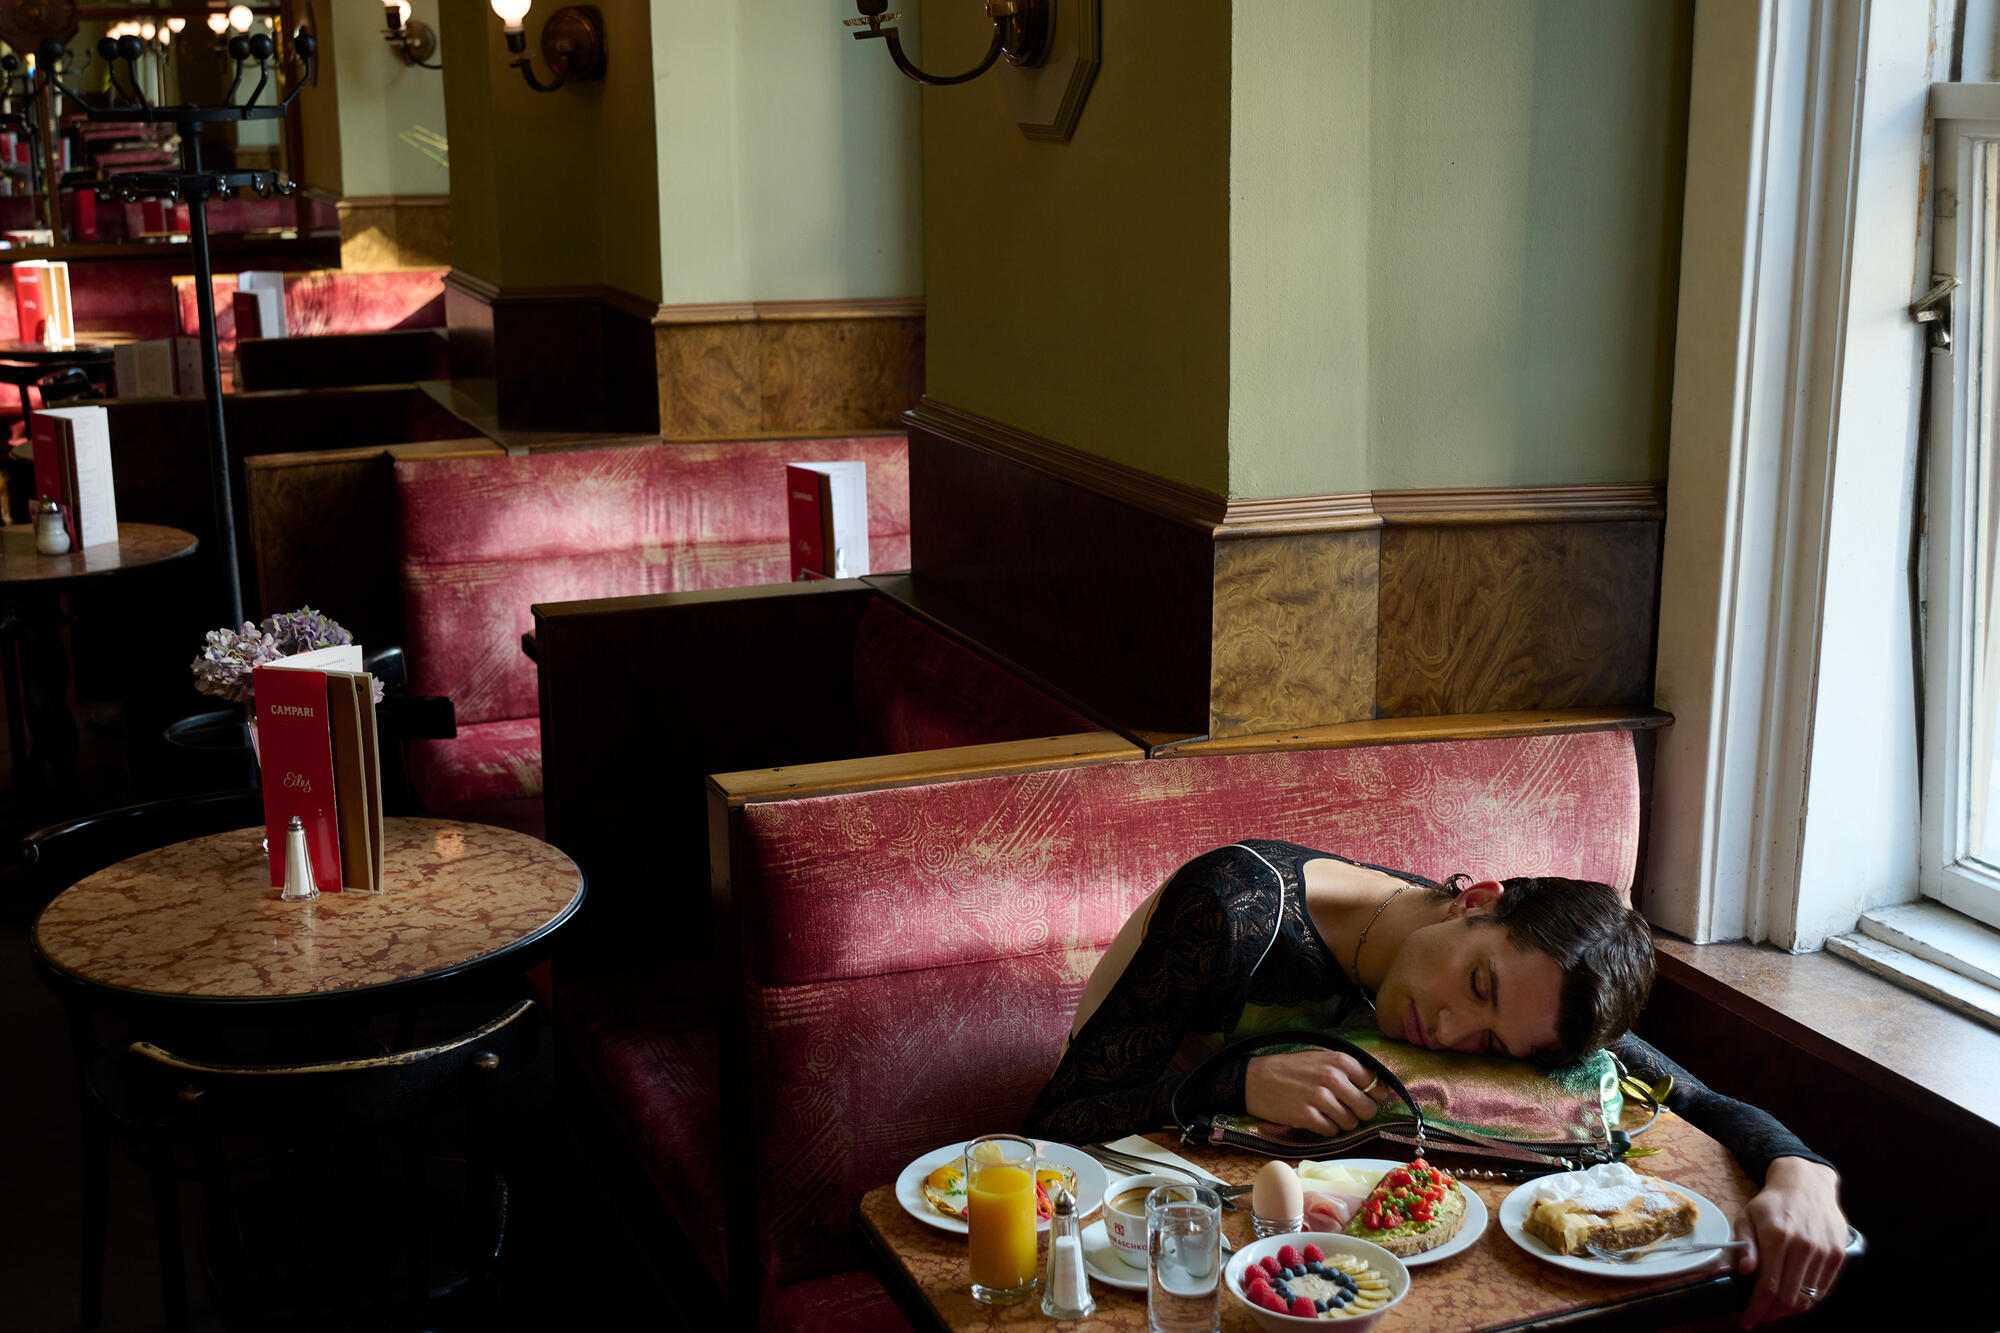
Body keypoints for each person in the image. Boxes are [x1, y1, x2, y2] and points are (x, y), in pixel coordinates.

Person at [1023, 841, 1851, 1330]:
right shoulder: (1232, 911)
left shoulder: (1532, 984)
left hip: (1293, 1247)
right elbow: (1054, 1122)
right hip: (1136, 1244)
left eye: (1490, 1041)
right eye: (1479, 987)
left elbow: (1691, 1097)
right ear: (1476, 901)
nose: (1452, 1032)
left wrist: (1801, 1170)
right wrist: (1232, 1081)